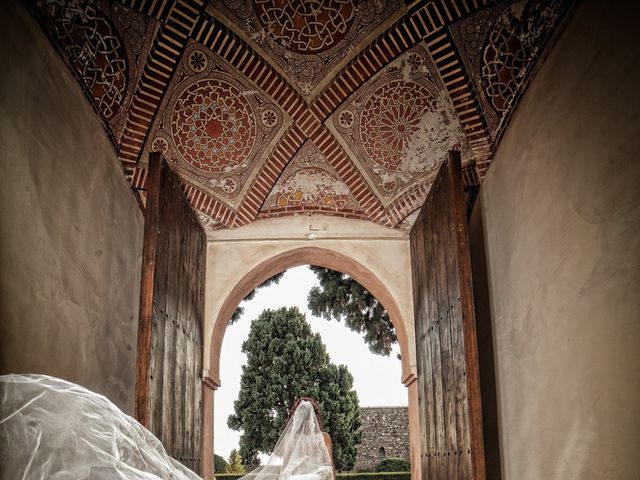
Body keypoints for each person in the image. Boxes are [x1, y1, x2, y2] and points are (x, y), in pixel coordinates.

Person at [242, 398, 335, 480]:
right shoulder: (325, 437)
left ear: (296, 417)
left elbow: (286, 465)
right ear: (315, 417)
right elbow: (330, 465)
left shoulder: (289, 438)